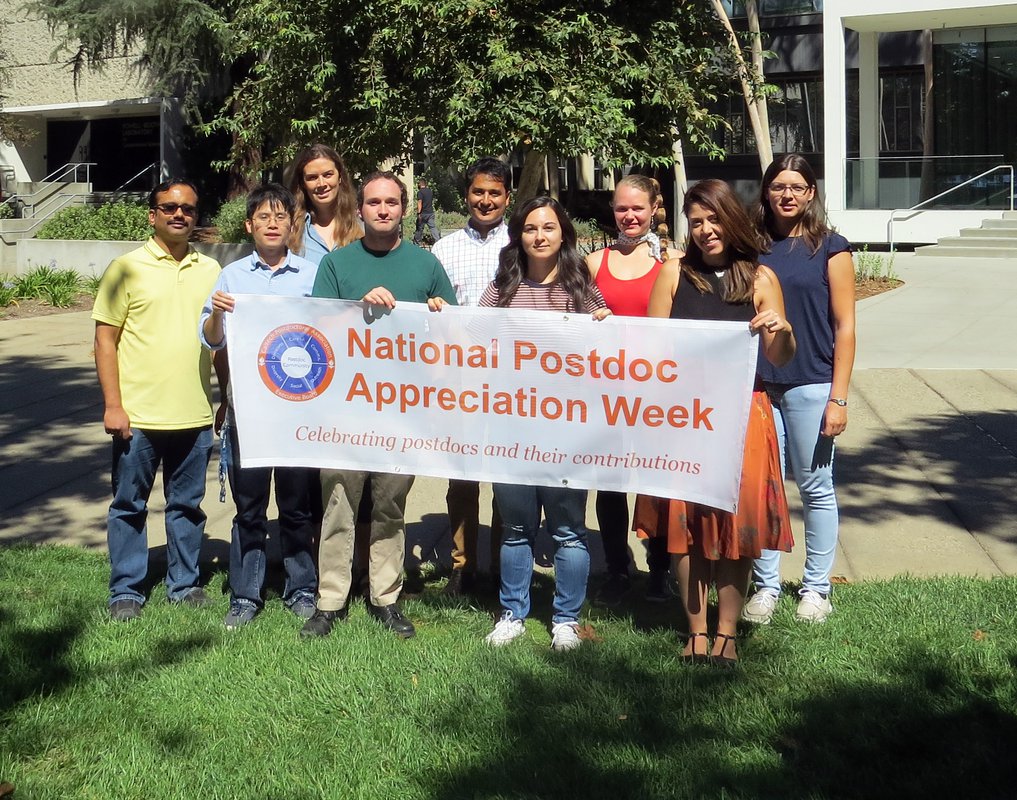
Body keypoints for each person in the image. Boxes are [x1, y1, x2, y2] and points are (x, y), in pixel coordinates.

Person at [634, 179, 796, 666]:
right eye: (696, 222)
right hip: (684, 416)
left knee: (735, 527)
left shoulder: (761, 280)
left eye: (714, 219)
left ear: (733, 220)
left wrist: (781, 330)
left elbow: (781, 358)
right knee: (685, 527)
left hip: (745, 415)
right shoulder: (673, 274)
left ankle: (727, 633)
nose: (706, 230)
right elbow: (651, 352)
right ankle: (696, 631)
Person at [302, 171, 458, 640]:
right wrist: (356, 306)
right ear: (361, 208)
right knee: (338, 505)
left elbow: (450, 335)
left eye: (392, 202)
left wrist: (436, 316)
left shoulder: (426, 266)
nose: (383, 210)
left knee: (390, 506)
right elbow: (317, 328)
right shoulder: (337, 264)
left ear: (405, 209)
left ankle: (385, 598)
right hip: (346, 407)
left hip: (402, 410)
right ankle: (330, 600)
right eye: (374, 203)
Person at [477, 196, 611, 652]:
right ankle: (513, 613)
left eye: (549, 228)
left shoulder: (581, 290)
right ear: (519, 236)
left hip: (567, 432)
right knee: (516, 528)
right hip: (511, 427)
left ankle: (566, 620)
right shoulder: (501, 289)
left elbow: (608, 349)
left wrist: (606, 326)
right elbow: (471, 343)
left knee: (568, 528)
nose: (539, 236)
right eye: (531, 228)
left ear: (563, 235)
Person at [92, 179, 221, 621]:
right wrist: (113, 404)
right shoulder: (125, 268)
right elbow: (104, 341)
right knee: (129, 505)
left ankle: (183, 584)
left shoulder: (210, 270)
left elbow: (218, 341)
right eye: (169, 207)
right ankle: (126, 589)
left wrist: (228, 398)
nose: (179, 214)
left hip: (194, 414)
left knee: (187, 506)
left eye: (187, 208)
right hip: (139, 416)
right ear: (153, 215)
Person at [199, 184, 320, 629]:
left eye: (280, 217)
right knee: (249, 509)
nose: (272, 224)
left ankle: (302, 588)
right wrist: (217, 312)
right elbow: (213, 339)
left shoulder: (312, 275)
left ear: (293, 225)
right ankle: (245, 596)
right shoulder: (231, 278)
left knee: (296, 508)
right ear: (249, 226)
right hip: (248, 412)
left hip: (296, 412)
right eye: (263, 218)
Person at [742, 154, 856, 625]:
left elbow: (845, 326)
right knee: (762, 491)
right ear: (766, 191)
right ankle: (765, 587)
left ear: (811, 193)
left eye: (797, 187)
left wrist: (839, 397)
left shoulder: (831, 247)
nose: (786, 195)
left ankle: (816, 588)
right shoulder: (748, 246)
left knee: (816, 489)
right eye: (778, 186)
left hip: (812, 384)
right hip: (757, 386)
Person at [585, 174, 676, 607]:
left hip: (657, 392)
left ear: (655, 208)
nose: (629, 216)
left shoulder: (673, 263)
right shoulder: (593, 263)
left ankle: (660, 569)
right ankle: (617, 569)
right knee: (610, 483)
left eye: (638, 208)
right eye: (622, 208)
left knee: (656, 481)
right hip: (605, 390)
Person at [430, 157, 512, 595]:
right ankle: (463, 567)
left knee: (506, 478)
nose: (485, 200)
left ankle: (504, 567)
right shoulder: (444, 249)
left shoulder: (523, 242)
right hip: (460, 380)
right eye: (478, 192)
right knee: (461, 477)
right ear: (467, 195)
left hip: (511, 381)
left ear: (507, 197)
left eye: (494, 193)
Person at [286, 143, 362, 266]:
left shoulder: (362, 228)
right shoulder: (290, 230)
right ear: (303, 183)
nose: (321, 184)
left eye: (328, 175)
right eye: (312, 177)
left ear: (340, 177)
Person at [412, 177, 441, 246]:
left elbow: (420, 202)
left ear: (419, 184)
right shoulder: (430, 191)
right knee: (432, 227)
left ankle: (417, 243)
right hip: (430, 213)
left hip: (423, 213)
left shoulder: (420, 192)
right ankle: (438, 241)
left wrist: (419, 213)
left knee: (419, 228)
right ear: (426, 184)